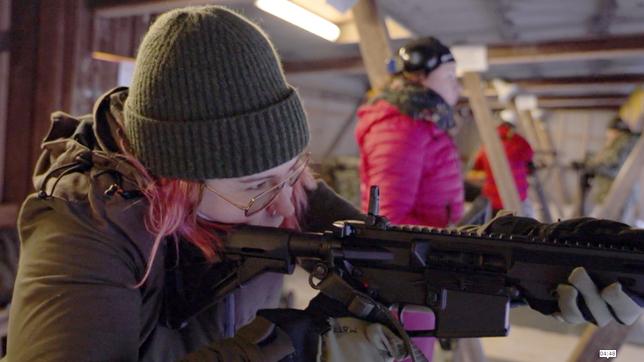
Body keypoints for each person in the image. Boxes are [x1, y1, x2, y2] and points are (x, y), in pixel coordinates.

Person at [3, 6, 641, 362]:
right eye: (259, 182)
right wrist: (293, 349)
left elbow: (384, 246)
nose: (285, 201)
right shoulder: (82, 226)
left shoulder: (276, 189)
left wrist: (528, 265)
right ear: (176, 178)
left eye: (293, 171)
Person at [355, 36, 464, 228]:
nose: (457, 86)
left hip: (430, 247)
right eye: (449, 76)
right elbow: (388, 221)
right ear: (419, 77)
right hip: (417, 254)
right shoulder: (399, 130)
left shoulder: (423, 122)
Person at [468, 121, 535, 216]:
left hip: (492, 198)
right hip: (516, 196)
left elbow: (476, 168)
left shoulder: (487, 148)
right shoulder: (518, 144)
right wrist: (516, 136)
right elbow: (529, 154)